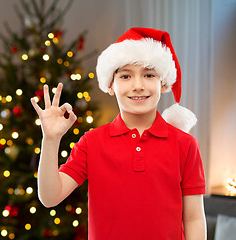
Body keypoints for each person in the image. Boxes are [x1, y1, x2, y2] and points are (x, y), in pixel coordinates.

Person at [31, 27, 206, 239]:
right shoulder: (91, 143)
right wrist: (50, 140)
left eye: (149, 74)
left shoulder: (186, 145)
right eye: (125, 76)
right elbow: (50, 197)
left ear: (162, 83)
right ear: (110, 85)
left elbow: (194, 218)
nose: (138, 85)